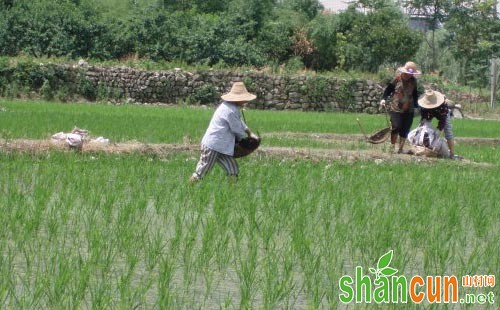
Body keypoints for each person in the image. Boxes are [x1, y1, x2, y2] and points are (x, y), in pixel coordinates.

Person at [189, 82, 259, 183]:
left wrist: (249, 133)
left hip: (222, 146)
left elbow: (239, 122)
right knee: (202, 170)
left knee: (232, 169)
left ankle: (233, 192)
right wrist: (246, 140)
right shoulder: (230, 110)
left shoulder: (232, 108)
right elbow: (237, 129)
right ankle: (189, 188)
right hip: (213, 145)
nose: (245, 101)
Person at [379, 61, 421, 154]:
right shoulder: (397, 78)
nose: (409, 75)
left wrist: (417, 106)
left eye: (411, 74)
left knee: (405, 129)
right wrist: (383, 99)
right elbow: (389, 89)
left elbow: (415, 94)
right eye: (408, 73)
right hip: (396, 107)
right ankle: (392, 146)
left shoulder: (413, 81)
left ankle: (401, 148)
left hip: (409, 108)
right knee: (396, 126)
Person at [417, 89, 458, 159]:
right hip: (429, 113)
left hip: (441, 113)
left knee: (448, 131)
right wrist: (422, 126)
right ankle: (419, 146)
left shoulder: (443, 106)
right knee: (421, 128)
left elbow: (443, 121)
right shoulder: (424, 105)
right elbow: (424, 117)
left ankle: (452, 154)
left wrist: (437, 131)